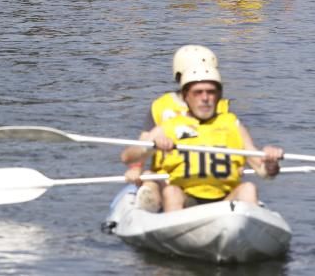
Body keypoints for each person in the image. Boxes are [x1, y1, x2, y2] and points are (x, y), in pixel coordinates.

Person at [121, 59, 282, 212]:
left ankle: (247, 235)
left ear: (218, 96)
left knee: (248, 188)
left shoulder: (232, 124)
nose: (205, 98)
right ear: (186, 96)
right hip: (185, 199)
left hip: (224, 200)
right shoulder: (171, 125)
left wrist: (269, 161)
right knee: (172, 192)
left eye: (211, 92)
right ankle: (175, 230)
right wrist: (151, 147)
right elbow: (128, 157)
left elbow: (263, 171)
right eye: (198, 92)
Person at [119, 45, 231, 210]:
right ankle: (151, 205)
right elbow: (144, 142)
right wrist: (136, 168)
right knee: (150, 178)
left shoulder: (221, 107)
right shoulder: (161, 106)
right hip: (168, 174)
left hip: (208, 174)